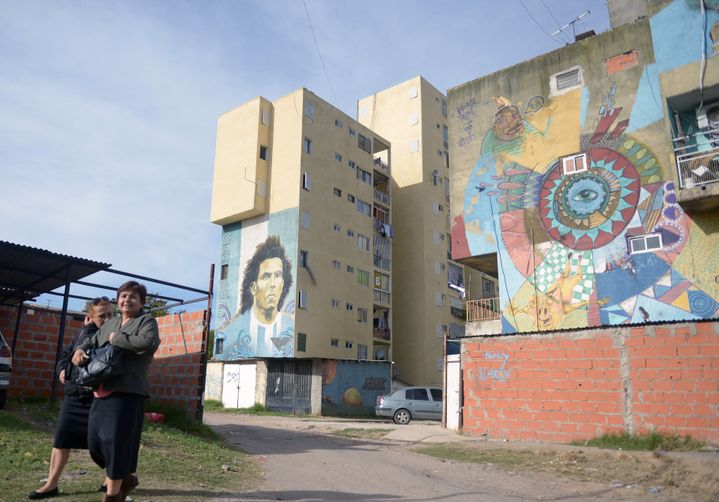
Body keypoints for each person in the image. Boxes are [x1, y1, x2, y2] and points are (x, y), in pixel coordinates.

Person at [72, 281, 160, 502]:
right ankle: (126, 478)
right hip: (102, 390)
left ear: (141, 301)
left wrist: (118, 339)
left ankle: (113, 495)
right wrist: (80, 350)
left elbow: (148, 343)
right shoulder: (111, 324)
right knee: (95, 443)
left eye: (132, 296)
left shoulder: (146, 321)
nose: (127, 300)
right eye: (123, 296)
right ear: (118, 300)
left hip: (128, 392)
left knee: (117, 445)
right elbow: (92, 340)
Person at [28, 298, 114, 500]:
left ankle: (110, 480)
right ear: (89, 318)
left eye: (110, 314)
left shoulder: (115, 334)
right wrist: (61, 370)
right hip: (75, 394)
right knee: (61, 438)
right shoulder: (82, 333)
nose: (108, 318)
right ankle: (52, 483)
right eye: (102, 315)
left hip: (99, 396)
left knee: (106, 441)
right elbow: (65, 356)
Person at [222, 235, 294, 357]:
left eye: (277, 276)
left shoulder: (292, 328)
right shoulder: (230, 334)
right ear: (253, 287)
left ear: (282, 284)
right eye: (266, 276)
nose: (273, 284)